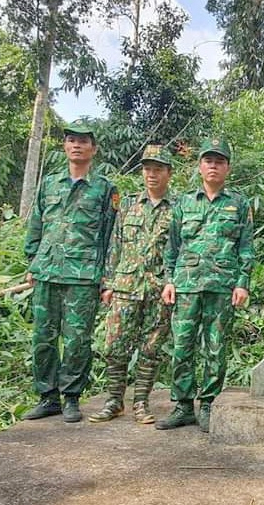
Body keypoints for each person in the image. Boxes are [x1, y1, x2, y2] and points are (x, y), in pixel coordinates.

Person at [22, 121, 119, 423]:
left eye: (83, 141)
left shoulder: (105, 189)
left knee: (77, 339)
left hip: (83, 275)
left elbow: (110, 235)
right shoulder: (49, 184)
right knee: (43, 338)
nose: (76, 145)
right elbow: (36, 224)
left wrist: (106, 277)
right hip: (47, 272)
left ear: (94, 148)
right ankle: (47, 397)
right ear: (64, 146)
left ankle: (71, 398)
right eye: (71, 140)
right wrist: (32, 262)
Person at [157, 137, 254, 433]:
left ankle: (209, 404)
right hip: (186, 286)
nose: (213, 166)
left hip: (222, 287)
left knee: (215, 348)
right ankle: (183, 406)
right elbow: (172, 247)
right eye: (208, 161)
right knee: (183, 346)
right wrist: (169, 281)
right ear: (199, 166)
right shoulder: (184, 203)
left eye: (219, 161)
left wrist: (242, 283)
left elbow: (246, 248)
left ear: (228, 168)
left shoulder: (239, 204)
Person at [88, 145, 176, 425]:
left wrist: (171, 282)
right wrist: (108, 283)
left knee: (151, 348)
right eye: (148, 168)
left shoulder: (178, 209)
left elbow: (180, 249)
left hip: (157, 287)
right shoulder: (127, 205)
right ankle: (114, 401)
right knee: (115, 345)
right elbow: (115, 244)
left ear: (168, 173)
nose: (152, 174)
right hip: (125, 285)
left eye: (158, 169)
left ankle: (140, 402)